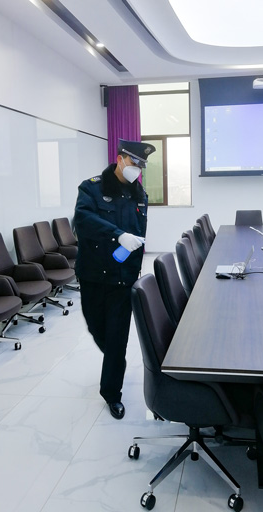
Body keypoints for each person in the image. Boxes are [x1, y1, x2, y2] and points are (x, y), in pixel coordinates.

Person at [74, 139, 155, 419]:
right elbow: (82, 221)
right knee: (97, 328)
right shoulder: (91, 188)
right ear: (120, 159)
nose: (137, 170)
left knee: (117, 337)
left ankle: (112, 393)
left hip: (123, 278)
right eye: (134, 163)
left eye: (142, 166)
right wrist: (116, 235)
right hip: (94, 276)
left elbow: (139, 235)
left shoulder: (139, 194)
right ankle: (115, 360)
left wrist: (135, 268)